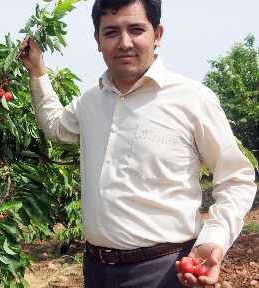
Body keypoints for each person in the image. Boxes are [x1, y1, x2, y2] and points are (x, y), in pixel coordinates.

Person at [19, 0, 257, 287]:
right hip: (96, 270)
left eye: (136, 29)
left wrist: (214, 239)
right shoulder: (91, 101)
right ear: (97, 40)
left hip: (166, 272)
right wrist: (37, 71)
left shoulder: (192, 99)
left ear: (157, 34)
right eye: (111, 32)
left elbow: (236, 179)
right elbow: (57, 128)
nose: (125, 43)